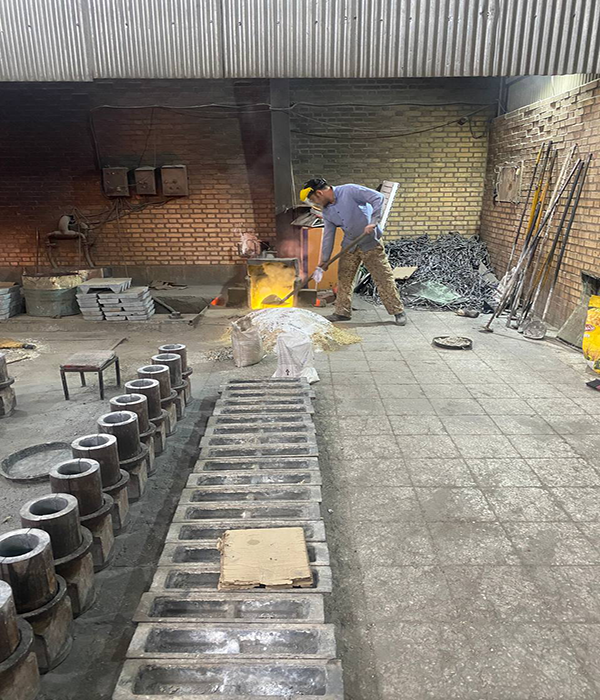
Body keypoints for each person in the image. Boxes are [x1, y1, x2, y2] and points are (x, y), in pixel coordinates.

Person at [299, 178, 406, 326]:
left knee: (383, 277)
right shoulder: (327, 211)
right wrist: (324, 260)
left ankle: (398, 311)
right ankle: (342, 312)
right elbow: (328, 236)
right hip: (350, 245)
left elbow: (378, 197)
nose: (315, 204)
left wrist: (373, 221)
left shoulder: (349, 191)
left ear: (319, 193)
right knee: (344, 277)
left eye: (314, 200)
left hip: (370, 243)